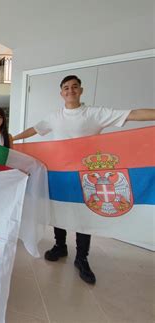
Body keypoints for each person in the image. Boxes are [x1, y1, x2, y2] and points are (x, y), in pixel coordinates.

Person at [13, 75, 155, 284]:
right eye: (66, 88)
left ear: (81, 90)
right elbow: (35, 129)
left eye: (74, 87)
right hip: (59, 173)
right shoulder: (54, 116)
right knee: (58, 208)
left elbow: (132, 114)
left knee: (83, 215)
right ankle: (60, 246)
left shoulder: (94, 114)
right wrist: (12, 140)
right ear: (61, 93)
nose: (70, 90)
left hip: (86, 175)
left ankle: (81, 258)